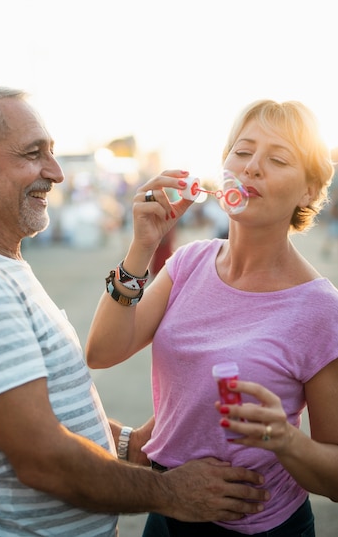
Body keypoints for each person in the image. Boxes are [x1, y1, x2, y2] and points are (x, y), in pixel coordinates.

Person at [0, 86, 269, 537]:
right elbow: (44, 461)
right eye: (33, 154)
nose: (57, 173)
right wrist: (173, 494)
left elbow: (37, 408)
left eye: (53, 152)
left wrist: (126, 443)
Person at [86, 99, 338, 536]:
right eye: (242, 152)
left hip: (260, 529)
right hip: (166, 508)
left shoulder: (320, 309)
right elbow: (103, 351)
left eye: (277, 159)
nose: (252, 167)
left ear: (309, 191)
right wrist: (142, 247)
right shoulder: (189, 262)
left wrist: (286, 441)